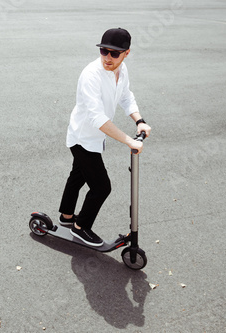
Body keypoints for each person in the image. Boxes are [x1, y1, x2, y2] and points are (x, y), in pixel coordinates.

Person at [58, 28, 152, 247]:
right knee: (102, 187)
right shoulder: (91, 75)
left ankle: (66, 217)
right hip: (83, 137)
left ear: (126, 54)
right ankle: (81, 228)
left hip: (95, 136)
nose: (108, 57)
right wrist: (129, 140)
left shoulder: (122, 69)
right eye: (104, 51)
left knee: (78, 175)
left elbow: (126, 96)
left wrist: (139, 120)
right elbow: (98, 119)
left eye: (114, 53)